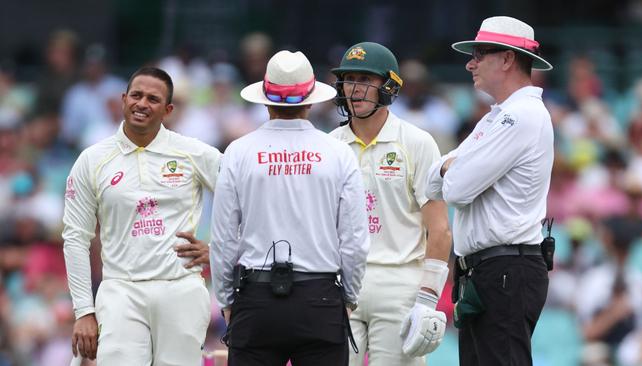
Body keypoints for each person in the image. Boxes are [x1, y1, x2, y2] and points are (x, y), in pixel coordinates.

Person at [210, 50, 369, 366]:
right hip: (320, 296)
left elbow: (224, 239)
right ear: (310, 101)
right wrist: (348, 298)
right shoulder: (337, 153)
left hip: (256, 297)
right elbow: (354, 241)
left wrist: (228, 300)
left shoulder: (239, 152)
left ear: (266, 101)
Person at [62, 67, 222, 365]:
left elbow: (246, 200)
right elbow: (75, 238)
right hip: (121, 289)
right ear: (123, 100)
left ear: (168, 109)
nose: (142, 104)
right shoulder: (93, 160)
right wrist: (84, 311)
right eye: (136, 95)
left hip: (180, 288)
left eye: (153, 98)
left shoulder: (195, 153)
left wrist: (219, 251)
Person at [426, 16, 554, 366]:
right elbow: (432, 180)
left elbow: (456, 189)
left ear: (508, 59)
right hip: (491, 271)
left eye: (480, 54)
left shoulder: (521, 115)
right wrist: (449, 168)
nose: (471, 62)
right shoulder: (498, 116)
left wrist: (451, 167)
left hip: (505, 269)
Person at [329, 42, 452, 366]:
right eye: (349, 79)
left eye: (365, 79)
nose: (354, 89)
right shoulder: (328, 146)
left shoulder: (416, 142)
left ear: (389, 86)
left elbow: (439, 230)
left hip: (399, 284)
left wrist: (427, 300)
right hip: (340, 284)